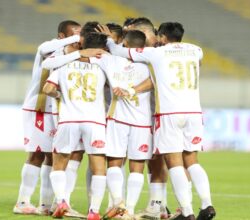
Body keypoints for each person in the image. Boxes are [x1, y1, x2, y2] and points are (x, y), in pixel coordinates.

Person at [106, 22, 216, 220]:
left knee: (174, 163)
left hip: (169, 114)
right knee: (192, 161)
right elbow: (196, 62)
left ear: (163, 37)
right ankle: (207, 204)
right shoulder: (196, 50)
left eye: (158, 35)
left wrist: (110, 41)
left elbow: (123, 52)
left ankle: (187, 211)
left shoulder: (156, 53)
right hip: (193, 111)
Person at [13, 20, 81, 215]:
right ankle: (23, 201)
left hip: (60, 110)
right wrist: (76, 38)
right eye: (75, 33)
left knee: (53, 156)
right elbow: (42, 47)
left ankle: (45, 204)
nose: (79, 36)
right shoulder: (51, 49)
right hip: (39, 107)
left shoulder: (76, 54)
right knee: (36, 153)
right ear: (62, 36)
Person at [43, 32, 108, 220]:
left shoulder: (64, 65)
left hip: (68, 120)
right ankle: (94, 211)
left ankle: (62, 200)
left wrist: (59, 96)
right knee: (98, 167)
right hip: (94, 121)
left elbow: (48, 89)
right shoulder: (102, 66)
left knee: (59, 163)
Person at [89, 30, 153, 219]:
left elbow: (90, 55)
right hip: (142, 121)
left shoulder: (110, 60)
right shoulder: (150, 63)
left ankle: (118, 203)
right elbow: (154, 82)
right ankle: (130, 210)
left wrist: (107, 40)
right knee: (137, 165)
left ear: (124, 43)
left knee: (115, 163)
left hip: (117, 119)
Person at [118, 17, 171, 219]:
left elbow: (156, 80)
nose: (130, 38)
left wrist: (133, 89)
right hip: (142, 111)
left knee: (158, 159)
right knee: (149, 158)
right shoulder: (143, 53)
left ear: (146, 31)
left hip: (157, 111)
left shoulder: (157, 52)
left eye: (132, 32)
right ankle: (157, 205)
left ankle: (158, 204)